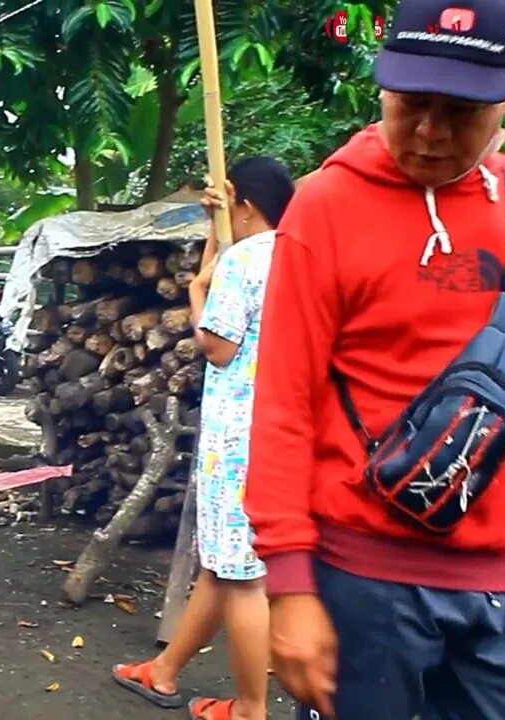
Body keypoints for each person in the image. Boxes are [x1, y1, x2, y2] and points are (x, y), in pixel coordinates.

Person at [244, 1, 505, 718]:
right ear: (382, 86)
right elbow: (284, 401)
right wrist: (291, 586)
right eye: (411, 104)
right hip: (364, 577)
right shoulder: (328, 205)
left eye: (461, 110)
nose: (431, 133)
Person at [111, 157, 295, 719]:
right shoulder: (299, 254)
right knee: (225, 562)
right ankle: (165, 672)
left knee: (242, 577)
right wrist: (218, 253)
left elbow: (218, 344)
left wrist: (197, 287)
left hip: (239, 434)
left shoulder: (245, 260)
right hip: (284, 427)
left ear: (246, 203)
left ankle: (251, 708)